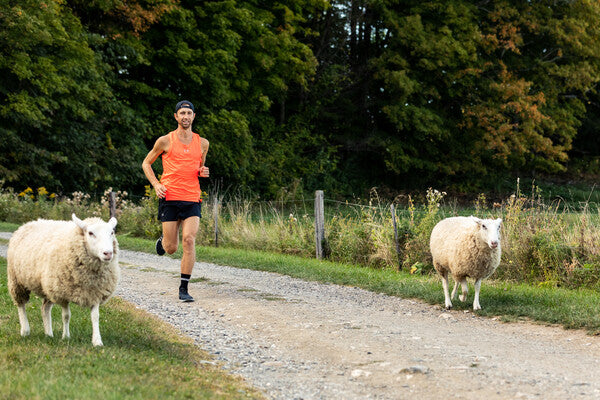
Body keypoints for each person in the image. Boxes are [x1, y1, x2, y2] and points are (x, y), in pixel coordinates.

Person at [142, 100, 209, 302]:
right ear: (176, 117)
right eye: (182, 113)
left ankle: (184, 288)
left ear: (194, 116)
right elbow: (146, 163)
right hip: (169, 197)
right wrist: (156, 184)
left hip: (191, 198)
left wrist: (202, 171)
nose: (186, 116)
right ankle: (163, 242)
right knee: (172, 248)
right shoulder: (165, 141)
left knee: (189, 240)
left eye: (189, 113)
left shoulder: (203, 143)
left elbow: (200, 167)